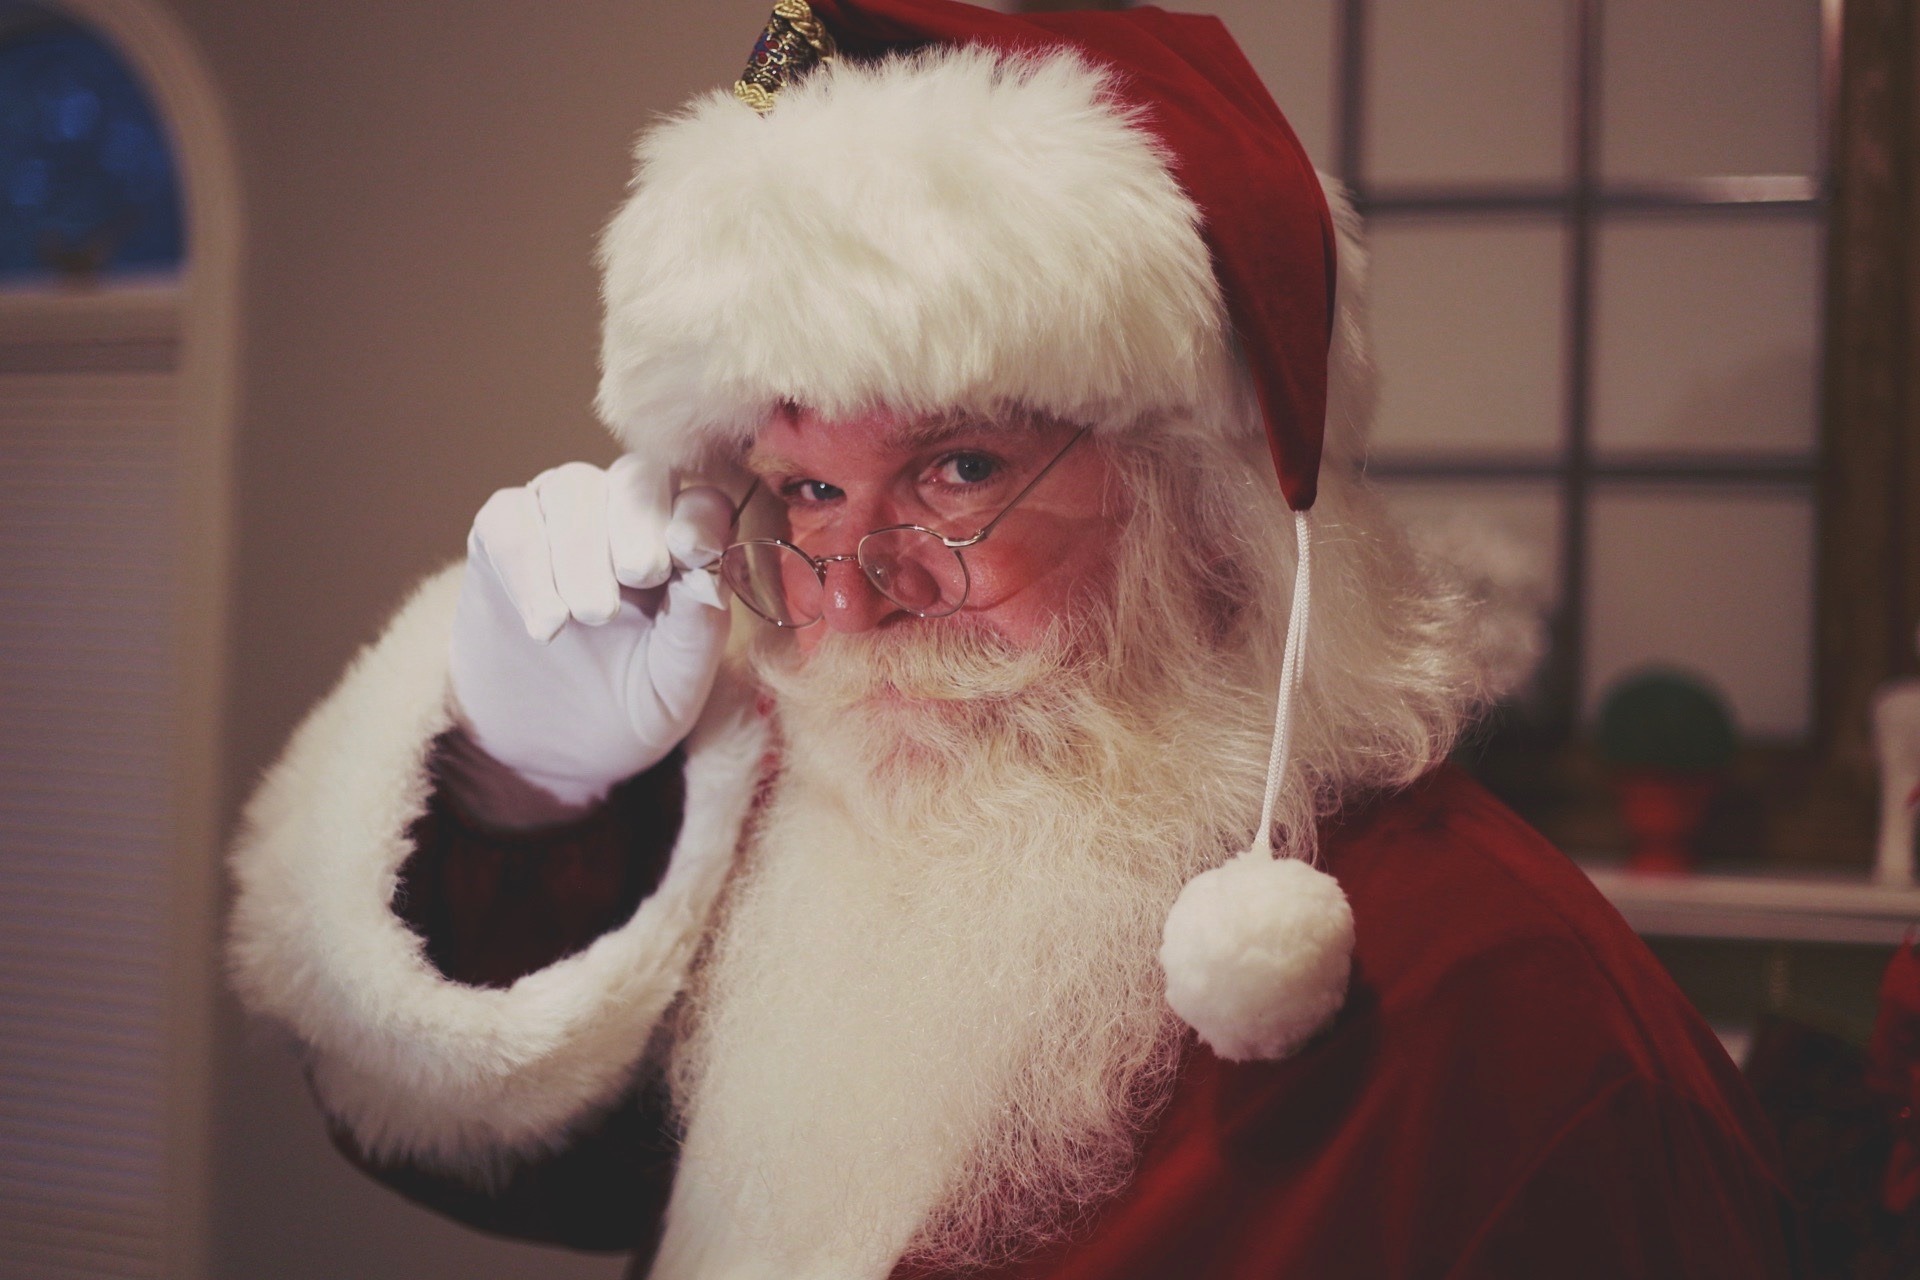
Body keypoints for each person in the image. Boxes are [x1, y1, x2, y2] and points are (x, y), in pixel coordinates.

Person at [227, 1, 1799, 1276]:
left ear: (1214, 505)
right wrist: (525, 790)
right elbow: (503, 1154)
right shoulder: (813, 820)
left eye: (959, 467)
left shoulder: (1509, 1021)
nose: (849, 592)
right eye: (807, 491)